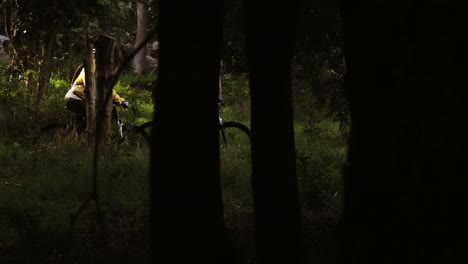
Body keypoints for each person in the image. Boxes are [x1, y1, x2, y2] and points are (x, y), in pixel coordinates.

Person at [64, 65, 129, 133]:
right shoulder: (89, 68)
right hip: (75, 98)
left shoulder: (103, 72)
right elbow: (90, 84)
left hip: (86, 99)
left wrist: (121, 100)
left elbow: (108, 90)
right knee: (92, 113)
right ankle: (82, 136)